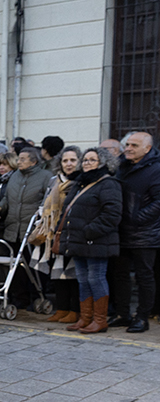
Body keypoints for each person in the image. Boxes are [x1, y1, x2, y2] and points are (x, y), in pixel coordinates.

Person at [56, 147, 122, 334]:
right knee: (83, 280)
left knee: (96, 278)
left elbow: (112, 214)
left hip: (95, 241)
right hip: (78, 241)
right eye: (85, 160)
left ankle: (99, 320)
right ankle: (85, 318)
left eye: (92, 160)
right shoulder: (80, 182)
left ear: (102, 163)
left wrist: (89, 231)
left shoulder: (108, 183)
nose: (87, 163)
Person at [109, 132, 160, 333]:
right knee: (119, 274)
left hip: (144, 233)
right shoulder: (121, 166)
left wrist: (137, 218)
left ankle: (142, 317)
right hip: (120, 231)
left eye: (134, 145)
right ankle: (122, 314)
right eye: (127, 144)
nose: (128, 148)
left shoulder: (156, 169)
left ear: (147, 149)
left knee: (144, 277)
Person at [0, 145, 52, 307]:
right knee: (16, 267)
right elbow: (7, 198)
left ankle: (37, 297)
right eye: (18, 159)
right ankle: (19, 299)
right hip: (13, 229)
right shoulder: (15, 176)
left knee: (34, 267)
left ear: (33, 162)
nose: (18, 162)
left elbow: (48, 200)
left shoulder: (46, 176)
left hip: (32, 231)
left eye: (22, 159)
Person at [32, 145, 82, 324]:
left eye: (73, 160)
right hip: (54, 233)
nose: (69, 164)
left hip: (73, 232)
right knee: (57, 273)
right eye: (65, 160)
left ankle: (75, 311)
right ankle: (61, 309)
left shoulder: (82, 180)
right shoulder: (55, 180)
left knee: (73, 275)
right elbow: (45, 202)